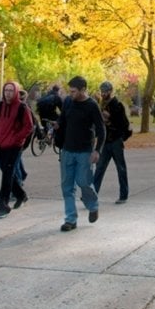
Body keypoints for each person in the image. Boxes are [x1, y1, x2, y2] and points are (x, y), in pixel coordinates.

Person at [56, 76, 105, 232]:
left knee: (84, 182)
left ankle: (93, 205)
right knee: (67, 187)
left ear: (83, 90)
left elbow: (101, 129)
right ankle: (70, 219)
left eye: (74, 91)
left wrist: (97, 150)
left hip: (84, 151)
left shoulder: (92, 105)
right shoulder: (68, 102)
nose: (71, 94)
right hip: (67, 150)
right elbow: (62, 120)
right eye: (69, 91)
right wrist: (56, 127)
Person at [0, 81, 34, 219]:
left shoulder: (22, 107)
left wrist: (17, 138)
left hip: (15, 146)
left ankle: (3, 204)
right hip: (2, 144)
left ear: (15, 92)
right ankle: (21, 195)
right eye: (6, 90)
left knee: (8, 172)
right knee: (4, 168)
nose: (8, 93)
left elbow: (29, 126)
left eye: (10, 90)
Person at [93, 81, 132, 204]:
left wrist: (109, 118)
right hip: (105, 142)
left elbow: (124, 124)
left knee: (121, 168)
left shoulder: (117, 105)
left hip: (115, 141)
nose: (103, 93)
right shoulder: (101, 105)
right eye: (102, 91)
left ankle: (123, 195)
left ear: (110, 91)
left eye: (106, 91)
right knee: (99, 168)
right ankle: (92, 195)